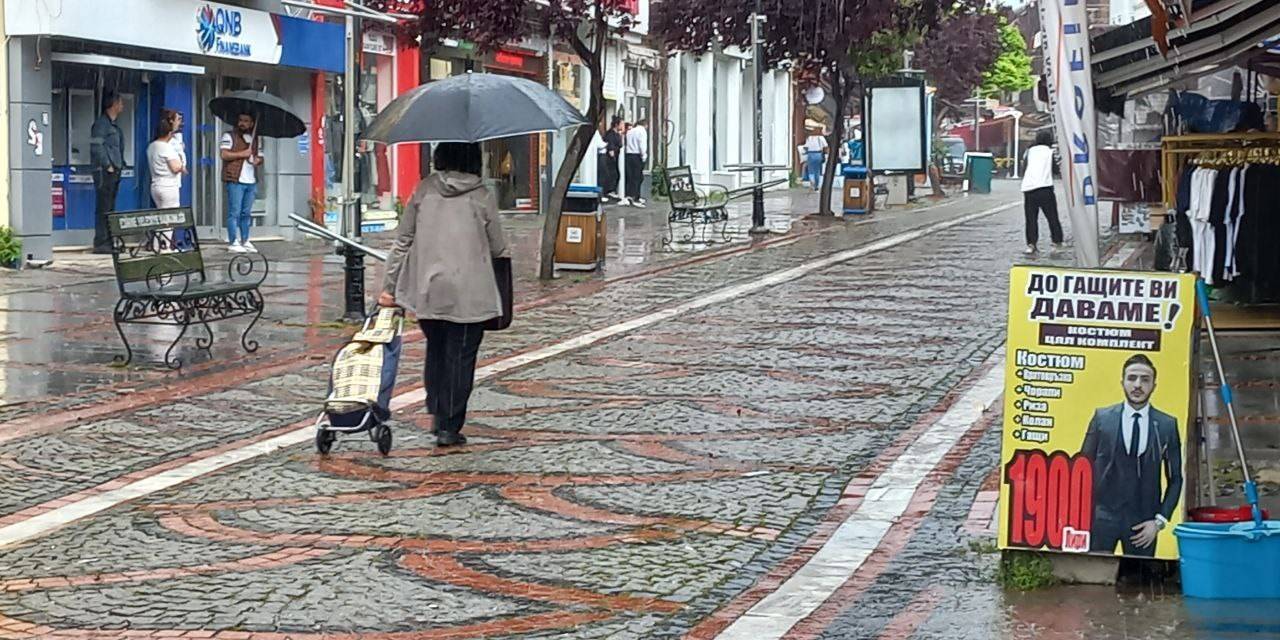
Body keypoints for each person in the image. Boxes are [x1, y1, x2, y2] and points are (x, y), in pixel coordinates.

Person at [378, 142, 510, 448]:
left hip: (429, 288)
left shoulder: (423, 190)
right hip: (470, 291)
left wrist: (389, 286)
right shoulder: (482, 195)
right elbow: (498, 246)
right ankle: (450, 425)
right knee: (461, 356)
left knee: (436, 350)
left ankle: (437, 413)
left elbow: (403, 240)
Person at [1080, 354, 1183, 557]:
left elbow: (1176, 478)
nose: (1137, 385)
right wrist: (1086, 515)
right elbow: (1082, 468)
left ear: (1154, 385)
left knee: (1139, 583)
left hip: (1143, 523)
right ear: (1122, 382)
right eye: (1132, 378)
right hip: (1102, 518)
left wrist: (1159, 521)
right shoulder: (1102, 418)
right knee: (1095, 577)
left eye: (1145, 380)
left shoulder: (1166, 425)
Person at [220, 112, 264, 254]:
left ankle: (245, 239)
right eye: (240, 120)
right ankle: (233, 241)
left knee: (246, 213)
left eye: (246, 121)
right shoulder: (229, 136)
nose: (242, 123)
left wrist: (257, 160)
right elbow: (224, 154)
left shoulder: (255, 138)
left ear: (252, 123)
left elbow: (260, 156)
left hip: (251, 181)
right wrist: (242, 154)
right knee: (234, 212)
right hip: (235, 180)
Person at [90, 91, 126, 254]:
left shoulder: (113, 126)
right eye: (120, 102)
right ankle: (101, 242)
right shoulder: (101, 124)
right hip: (105, 173)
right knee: (104, 207)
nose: (122, 106)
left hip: (115, 170)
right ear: (113, 104)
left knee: (110, 207)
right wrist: (107, 165)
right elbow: (97, 146)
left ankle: (109, 240)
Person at [1021, 131, 1065, 255]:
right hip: (1045, 188)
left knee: (1031, 219)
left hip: (1028, 188)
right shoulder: (1050, 152)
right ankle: (1057, 242)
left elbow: (1024, 168)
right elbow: (1056, 170)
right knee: (1052, 217)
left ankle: (1031, 244)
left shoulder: (1029, 151)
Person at [147, 109, 186, 208]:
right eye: (178, 119)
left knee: (161, 214)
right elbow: (175, 167)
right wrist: (181, 165)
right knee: (171, 216)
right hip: (168, 186)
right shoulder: (167, 146)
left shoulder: (151, 146)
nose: (180, 122)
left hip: (156, 184)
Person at [623, 118, 649, 207]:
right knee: (638, 177)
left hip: (628, 155)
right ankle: (636, 197)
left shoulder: (630, 131)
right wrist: (644, 155)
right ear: (645, 125)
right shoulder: (642, 131)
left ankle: (629, 195)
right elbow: (642, 144)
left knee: (630, 177)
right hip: (637, 155)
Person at [602, 116, 624, 202]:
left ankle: (612, 190)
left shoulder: (617, 134)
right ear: (616, 124)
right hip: (611, 158)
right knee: (613, 174)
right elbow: (610, 144)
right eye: (621, 124)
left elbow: (620, 144)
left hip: (616, 156)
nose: (623, 126)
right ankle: (609, 191)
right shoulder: (610, 134)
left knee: (616, 174)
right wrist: (611, 152)